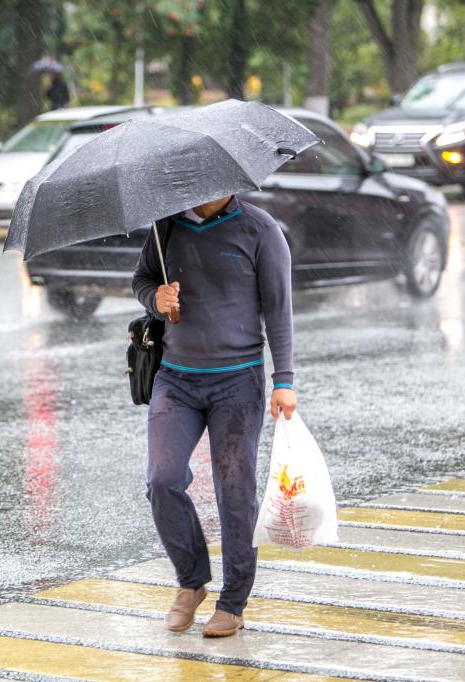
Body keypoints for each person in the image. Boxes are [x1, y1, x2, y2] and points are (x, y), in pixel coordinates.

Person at [131, 194, 296, 638]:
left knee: (234, 491)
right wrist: (156, 299)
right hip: (176, 380)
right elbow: (143, 280)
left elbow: (279, 308)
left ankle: (233, 601)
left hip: (237, 382)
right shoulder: (165, 228)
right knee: (162, 481)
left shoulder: (260, 231)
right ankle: (191, 581)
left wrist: (284, 380)